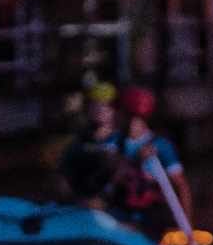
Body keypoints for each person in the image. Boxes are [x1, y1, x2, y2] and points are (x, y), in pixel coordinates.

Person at [109, 85, 193, 232]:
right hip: (120, 218)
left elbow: (181, 186)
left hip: (151, 218)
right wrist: (135, 160)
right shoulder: (114, 143)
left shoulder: (161, 145)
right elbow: (110, 177)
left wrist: (186, 227)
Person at [56, 81, 123, 207]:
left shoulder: (123, 140)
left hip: (113, 207)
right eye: (95, 105)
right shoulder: (79, 140)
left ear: (114, 110)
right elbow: (63, 176)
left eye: (105, 106)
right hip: (80, 205)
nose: (99, 110)